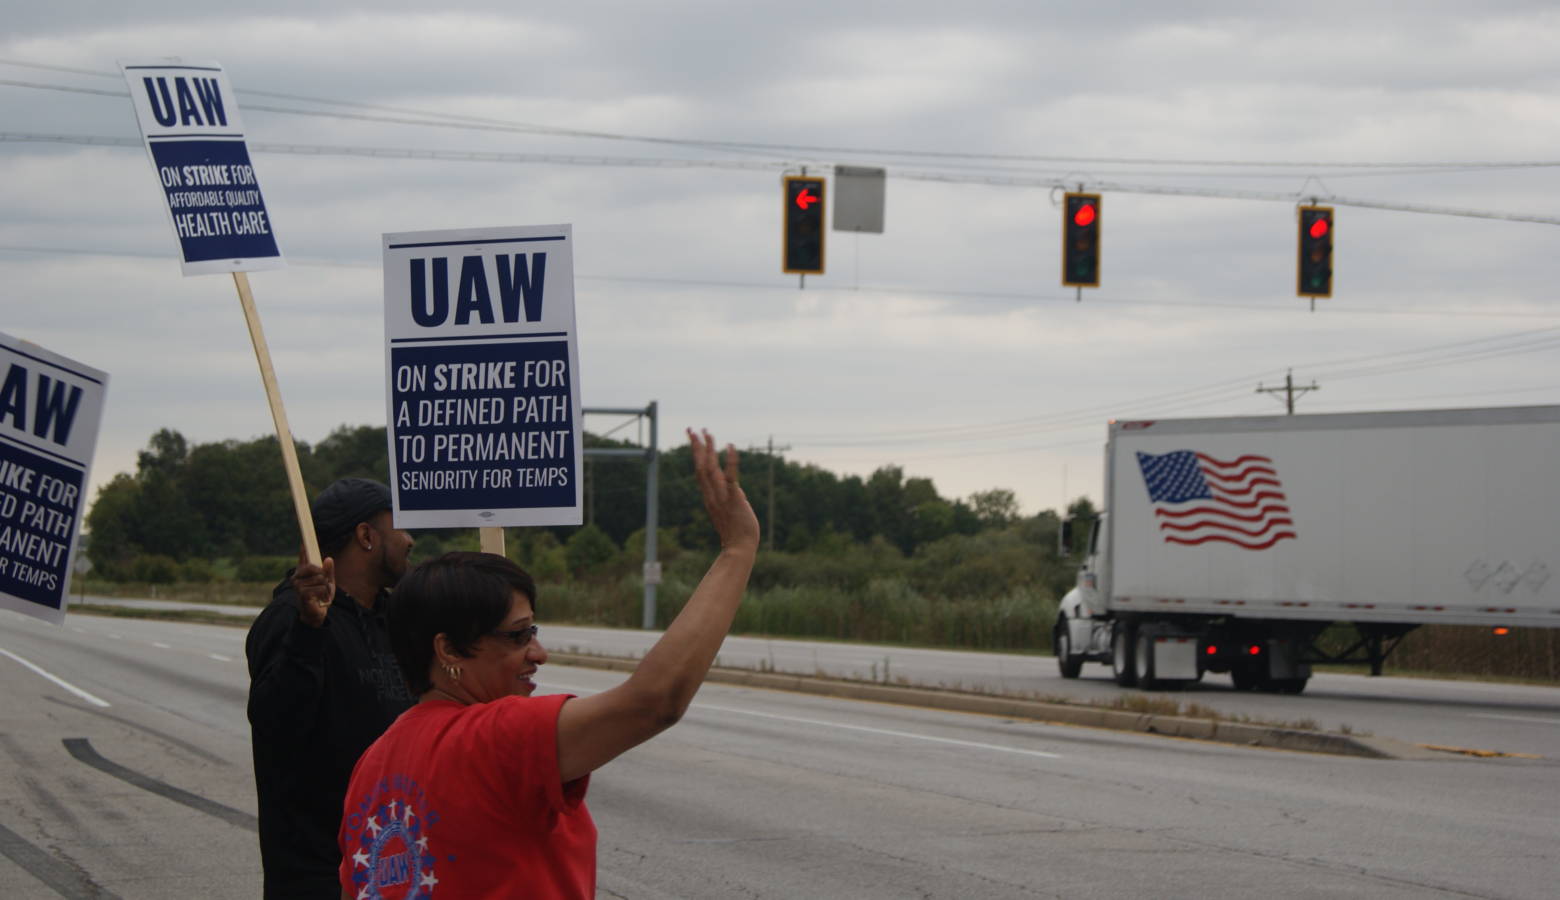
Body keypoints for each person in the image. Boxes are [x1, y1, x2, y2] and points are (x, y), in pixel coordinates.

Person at [337, 430, 759, 899]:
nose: (538, 653)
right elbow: (653, 702)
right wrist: (736, 551)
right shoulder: (494, 736)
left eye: (533, 631)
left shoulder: (371, 767)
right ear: (448, 651)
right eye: (518, 635)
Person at [246, 477, 417, 899]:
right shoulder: (289, 619)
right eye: (402, 525)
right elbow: (277, 727)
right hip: (319, 877)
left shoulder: (395, 620)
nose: (411, 539)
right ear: (366, 536)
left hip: (395, 864)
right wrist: (309, 630)